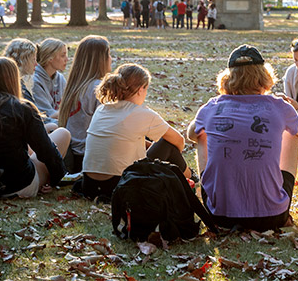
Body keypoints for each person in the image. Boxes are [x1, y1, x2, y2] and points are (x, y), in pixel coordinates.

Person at [187, 45, 298, 231]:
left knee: (201, 135)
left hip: (219, 216)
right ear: (263, 75)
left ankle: (217, 193)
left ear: (229, 77)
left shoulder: (211, 107)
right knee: (292, 134)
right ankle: (270, 191)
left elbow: (191, 135)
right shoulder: (279, 106)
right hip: (272, 216)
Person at [0, 57, 70, 198]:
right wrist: (56, 178)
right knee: (62, 133)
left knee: (47, 129)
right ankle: (46, 180)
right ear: (13, 78)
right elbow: (46, 150)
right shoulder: (22, 108)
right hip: (19, 184)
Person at [74, 64, 190, 200]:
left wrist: (148, 146)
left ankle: (189, 177)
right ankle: (190, 177)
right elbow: (179, 141)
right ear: (141, 89)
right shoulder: (142, 113)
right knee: (167, 144)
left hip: (90, 185)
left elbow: (120, 140)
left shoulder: (102, 109)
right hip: (122, 185)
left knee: (155, 144)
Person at [58, 35, 112, 171]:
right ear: (100, 60)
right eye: (109, 55)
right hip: (89, 157)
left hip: (72, 153)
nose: (111, 59)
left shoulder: (74, 85)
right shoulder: (98, 88)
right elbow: (108, 128)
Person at [33, 38, 68, 121]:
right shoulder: (35, 81)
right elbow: (47, 116)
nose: (67, 59)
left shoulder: (60, 78)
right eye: (63, 55)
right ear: (50, 59)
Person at [2, 38, 40, 106]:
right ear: (22, 60)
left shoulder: (8, 81)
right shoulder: (17, 87)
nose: (36, 64)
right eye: (33, 59)